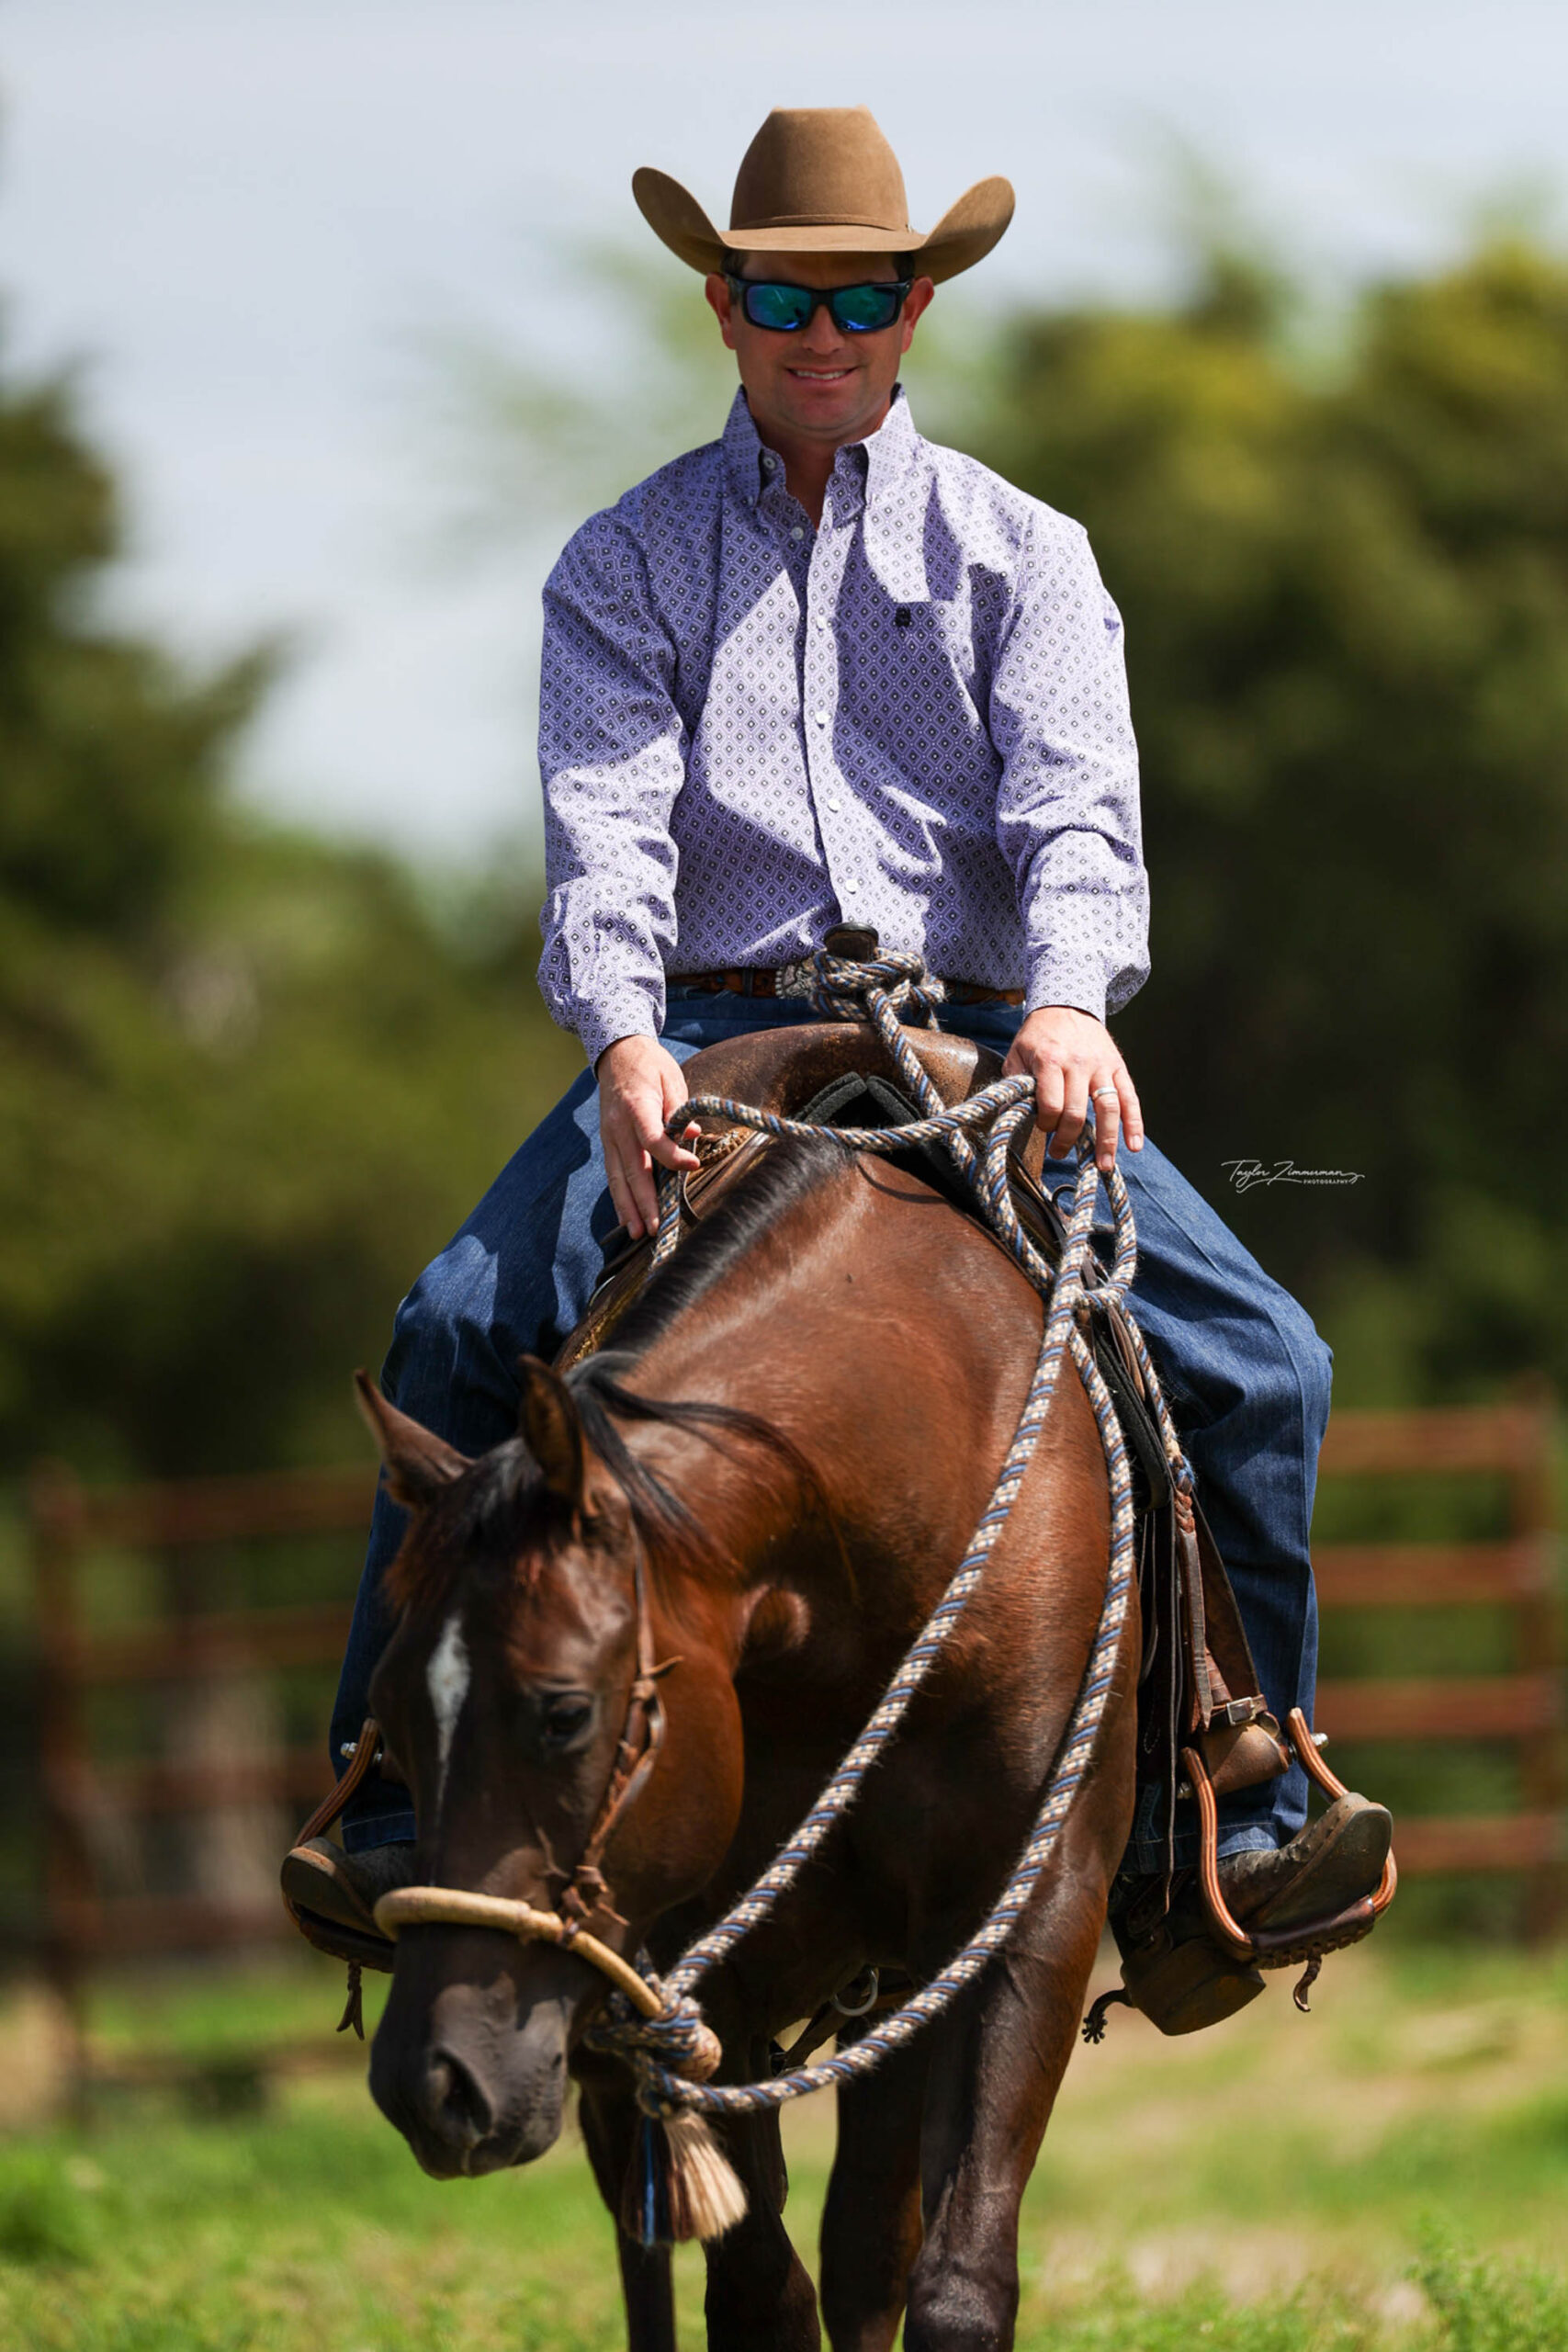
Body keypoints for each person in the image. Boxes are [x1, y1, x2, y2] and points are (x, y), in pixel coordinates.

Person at [283, 106, 1389, 1999]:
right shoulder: (624, 559)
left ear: (911, 306)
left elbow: (1074, 814)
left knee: (1264, 1362)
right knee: (459, 1324)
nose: (823, 326)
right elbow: (604, 826)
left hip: (973, 1033)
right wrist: (621, 1033)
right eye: (783, 290)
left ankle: (1240, 1779)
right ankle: (388, 1779)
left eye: (859, 291)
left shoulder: (1019, 553)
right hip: (707, 1025)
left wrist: (1064, 998)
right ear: (723, 304)